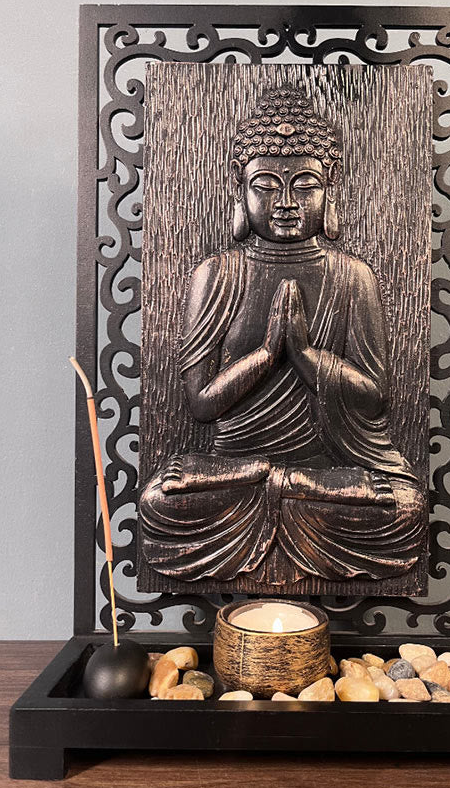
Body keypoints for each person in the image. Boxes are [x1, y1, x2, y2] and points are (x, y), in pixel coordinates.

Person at [139, 86, 426, 586]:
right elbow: (201, 405)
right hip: (233, 467)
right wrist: (267, 354)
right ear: (240, 187)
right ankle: (273, 480)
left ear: (330, 186)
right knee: (156, 502)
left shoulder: (352, 276)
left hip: (322, 471)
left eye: (305, 184)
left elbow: (375, 397)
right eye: (266, 185)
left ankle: (281, 480)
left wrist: (308, 356)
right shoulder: (217, 274)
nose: (286, 203)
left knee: (407, 507)